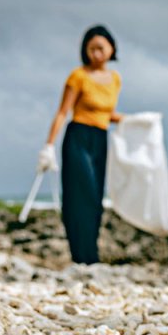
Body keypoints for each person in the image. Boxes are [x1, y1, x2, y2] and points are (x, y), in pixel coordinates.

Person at [40, 25, 123, 265]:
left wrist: (136, 121)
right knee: (80, 194)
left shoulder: (115, 79)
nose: (96, 53)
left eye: (100, 48)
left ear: (111, 49)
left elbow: (108, 114)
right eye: (91, 49)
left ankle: (91, 255)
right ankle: (79, 255)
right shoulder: (78, 76)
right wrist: (48, 146)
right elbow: (62, 112)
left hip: (101, 138)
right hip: (78, 136)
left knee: (96, 197)